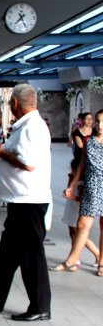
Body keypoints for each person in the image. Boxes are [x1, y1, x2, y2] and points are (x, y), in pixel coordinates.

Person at [0, 84, 52, 322]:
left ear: (15, 103)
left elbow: (28, 164)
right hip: (19, 201)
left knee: (32, 257)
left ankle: (40, 306)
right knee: (7, 256)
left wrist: (1, 154)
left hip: (29, 202)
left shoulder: (33, 127)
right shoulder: (27, 125)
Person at [56, 109, 103, 275]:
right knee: (82, 225)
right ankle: (71, 260)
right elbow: (81, 165)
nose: (100, 124)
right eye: (98, 121)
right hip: (91, 185)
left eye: (102, 121)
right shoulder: (90, 142)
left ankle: (101, 262)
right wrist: (72, 185)